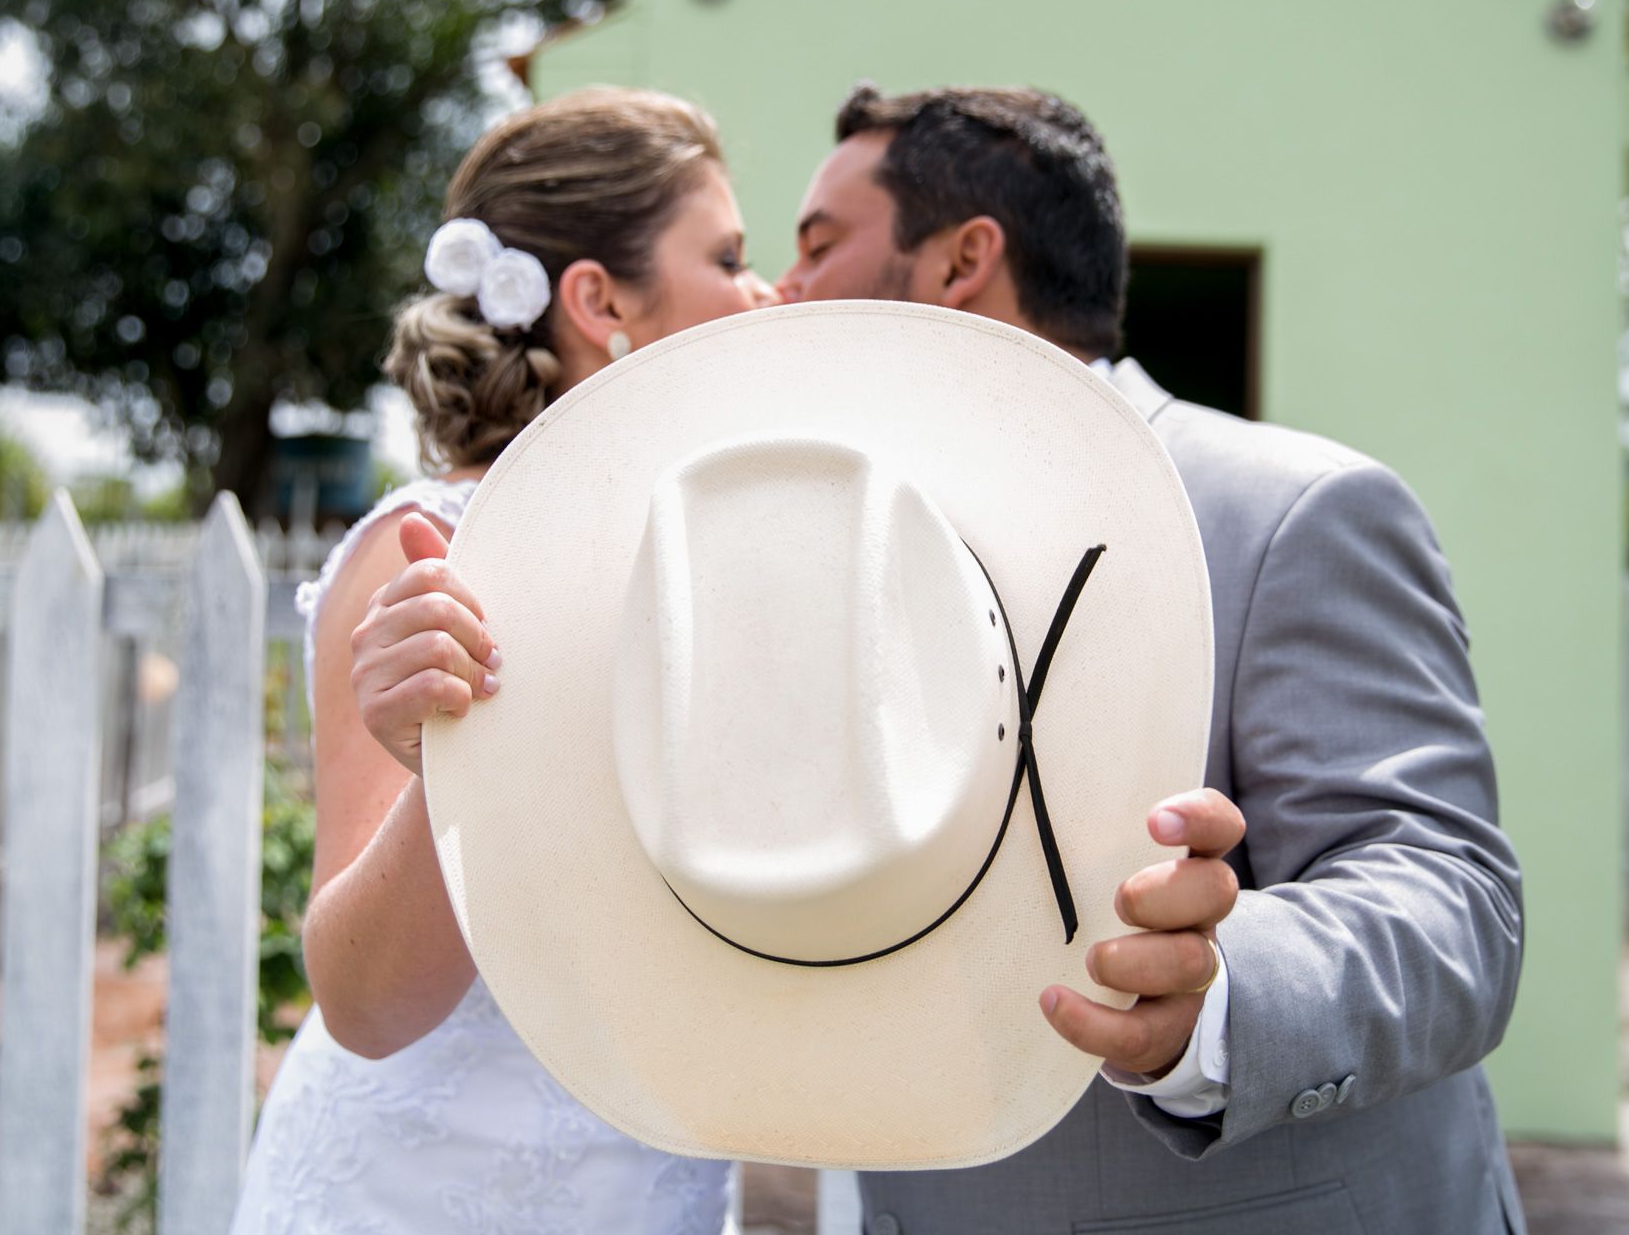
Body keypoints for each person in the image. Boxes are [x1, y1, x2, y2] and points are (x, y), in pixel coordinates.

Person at [772, 85, 1526, 1233]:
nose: (786, 290)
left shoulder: (1295, 512)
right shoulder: (839, 557)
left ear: (962, 258)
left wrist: (1220, 998)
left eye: (819, 245)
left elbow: (1452, 906)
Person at [227, 86, 777, 1235]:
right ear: (599, 300)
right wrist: (450, 764)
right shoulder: (429, 550)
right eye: (727, 255)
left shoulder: (735, 559)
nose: (763, 291)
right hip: (410, 1194)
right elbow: (367, 1001)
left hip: (650, 1184)